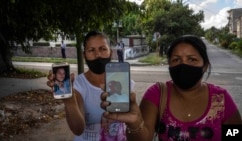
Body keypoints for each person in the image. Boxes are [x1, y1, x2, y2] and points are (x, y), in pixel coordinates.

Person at [101, 35, 242, 141]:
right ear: (169, 65)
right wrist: (134, 123)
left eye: (192, 59)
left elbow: (235, 134)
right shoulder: (157, 94)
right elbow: (143, 137)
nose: (183, 65)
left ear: (204, 65)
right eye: (176, 60)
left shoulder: (220, 99)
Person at [47, 30, 134, 141]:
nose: (97, 54)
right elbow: (78, 129)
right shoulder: (78, 85)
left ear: (111, 52)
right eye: (91, 50)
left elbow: (132, 124)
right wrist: (69, 102)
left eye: (103, 49)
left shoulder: (122, 81)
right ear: (84, 55)